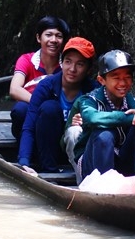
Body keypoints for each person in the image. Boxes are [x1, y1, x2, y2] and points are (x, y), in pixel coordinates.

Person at [18, 36, 97, 175]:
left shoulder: (94, 91)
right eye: (68, 62)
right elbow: (29, 127)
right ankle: (50, 172)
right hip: (47, 149)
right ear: (62, 63)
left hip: (76, 149)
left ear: (88, 69)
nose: (72, 69)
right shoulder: (46, 86)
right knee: (49, 108)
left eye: (80, 64)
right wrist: (24, 161)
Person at [66, 50, 135, 184]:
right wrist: (131, 118)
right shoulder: (89, 100)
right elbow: (92, 118)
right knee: (104, 134)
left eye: (127, 77)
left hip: (122, 163)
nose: (122, 83)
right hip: (93, 166)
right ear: (101, 80)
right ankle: (104, 188)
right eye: (116, 77)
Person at [9, 16, 70, 138]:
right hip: (31, 112)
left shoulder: (68, 65)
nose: (54, 40)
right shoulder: (26, 60)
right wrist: (39, 103)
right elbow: (14, 90)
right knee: (20, 110)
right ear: (38, 38)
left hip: (56, 116)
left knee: (50, 110)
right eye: (48, 35)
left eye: (59, 36)